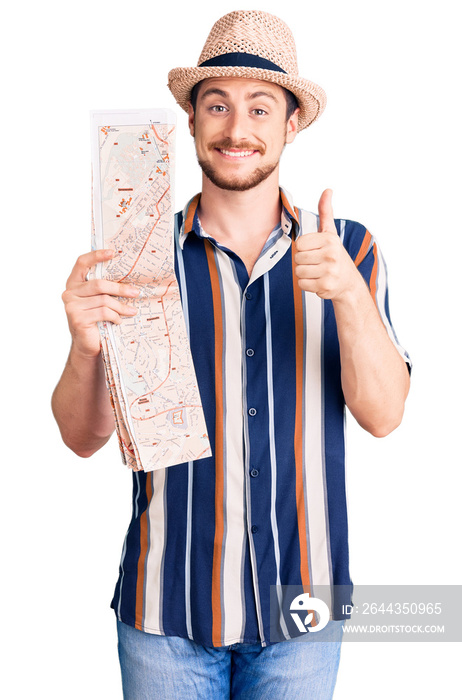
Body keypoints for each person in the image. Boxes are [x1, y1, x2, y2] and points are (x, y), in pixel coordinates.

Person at [52, 10, 411, 700]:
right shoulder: (135, 259)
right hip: (166, 611)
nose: (237, 128)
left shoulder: (351, 249)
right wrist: (85, 345)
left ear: (291, 124)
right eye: (216, 105)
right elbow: (79, 437)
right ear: (190, 120)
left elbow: (385, 415)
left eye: (259, 107)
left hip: (303, 609)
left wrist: (349, 299)